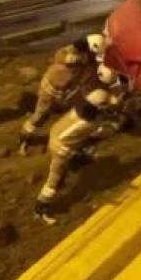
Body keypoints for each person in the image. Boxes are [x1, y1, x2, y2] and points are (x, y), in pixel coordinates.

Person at [34, 89, 122, 225]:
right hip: (62, 150)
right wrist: (114, 128)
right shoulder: (88, 124)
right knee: (54, 181)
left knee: (64, 170)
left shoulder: (77, 110)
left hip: (55, 136)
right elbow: (99, 133)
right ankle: (41, 209)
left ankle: (60, 179)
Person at [18, 38, 95, 153]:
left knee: (77, 111)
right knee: (40, 116)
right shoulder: (66, 56)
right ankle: (24, 139)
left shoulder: (75, 58)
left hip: (65, 93)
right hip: (50, 92)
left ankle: (77, 135)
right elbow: (67, 58)